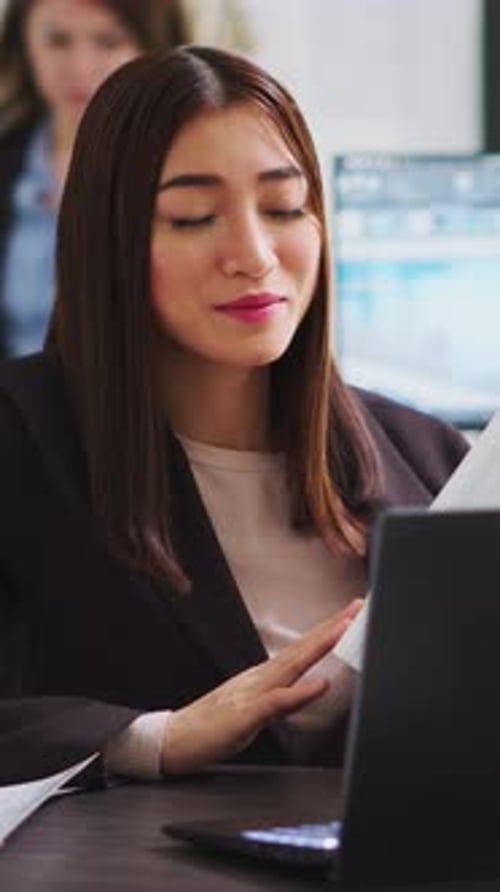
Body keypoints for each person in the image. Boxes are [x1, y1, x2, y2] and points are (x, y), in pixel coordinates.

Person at [0, 45, 469, 786]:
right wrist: (155, 738)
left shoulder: (433, 459)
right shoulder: (21, 442)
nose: (253, 255)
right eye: (193, 218)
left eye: (284, 207)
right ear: (110, 241)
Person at [0, 0, 188, 359]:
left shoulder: (192, 168)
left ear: (152, 46)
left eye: (108, 41)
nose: (79, 67)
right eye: (57, 40)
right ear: (24, 44)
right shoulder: (8, 161)